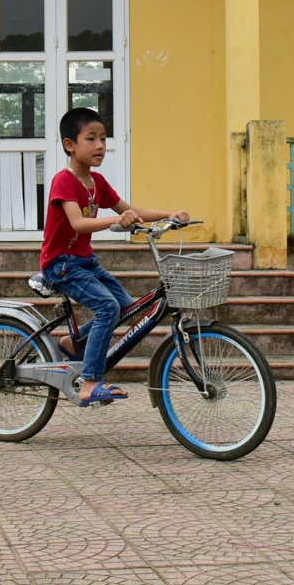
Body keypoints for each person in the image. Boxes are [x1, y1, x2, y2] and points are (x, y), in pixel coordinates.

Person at [40, 106, 189, 407]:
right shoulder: (64, 180)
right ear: (70, 145)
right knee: (107, 307)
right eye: (91, 138)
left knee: (125, 306)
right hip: (61, 264)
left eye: (103, 138)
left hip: (85, 261)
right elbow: (78, 223)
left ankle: (73, 343)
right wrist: (114, 221)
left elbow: (129, 210)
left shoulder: (97, 182)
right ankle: (90, 383)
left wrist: (169, 214)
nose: (100, 145)